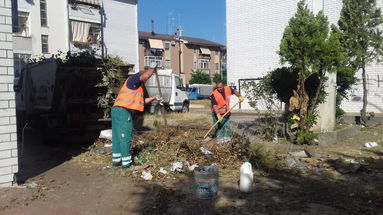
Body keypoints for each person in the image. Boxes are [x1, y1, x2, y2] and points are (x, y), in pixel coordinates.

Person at [112, 64, 161, 168]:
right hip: (123, 112)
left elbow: (142, 101)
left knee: (117, 137)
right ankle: (127, 164)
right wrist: (153, 68)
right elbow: (145, 75)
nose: (147, 80)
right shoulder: (133, 80)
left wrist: (154, 98)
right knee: (125, 137)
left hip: (118, 110)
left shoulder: (136, 87)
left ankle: (116, 161)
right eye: (147, 78)